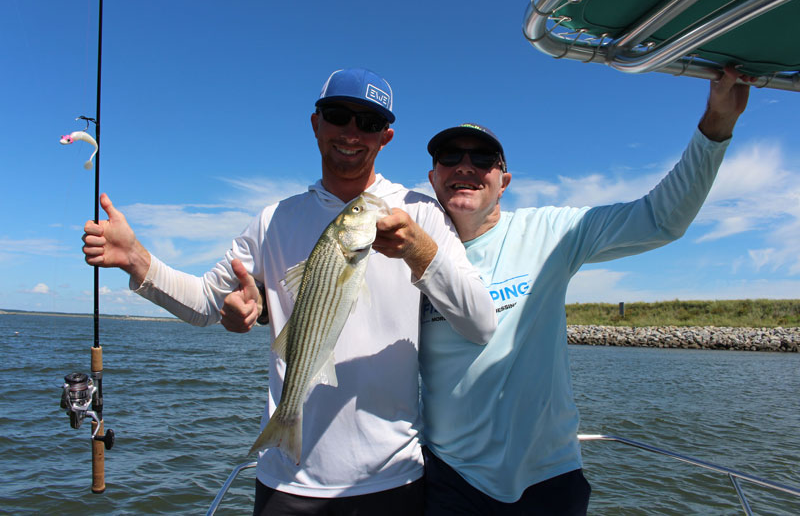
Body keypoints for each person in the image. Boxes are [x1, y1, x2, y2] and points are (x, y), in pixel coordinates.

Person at [82, 67, 497, 515]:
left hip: (393, 477)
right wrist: (137, 260)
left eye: (370, 123)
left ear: (386, 137)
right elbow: (205, 302)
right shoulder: (272, 220)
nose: (352, 133)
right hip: (287, 481)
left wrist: (420, 251)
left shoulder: (422, 213)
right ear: (316, 123)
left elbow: (480, 325)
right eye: (339, 115)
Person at [419, 66, 754, 515]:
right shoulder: (408, 250)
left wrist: (717, 125)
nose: (465, 165)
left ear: (504, 181)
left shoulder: (551, 231)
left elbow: (661, 218)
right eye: (449, 156)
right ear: (433, 176)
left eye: (482, 159)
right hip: (448, 477)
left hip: (547, 477)